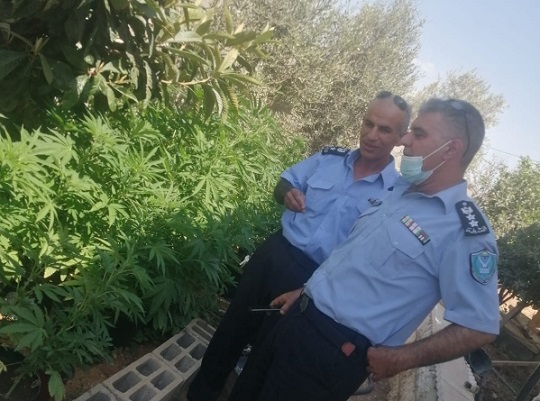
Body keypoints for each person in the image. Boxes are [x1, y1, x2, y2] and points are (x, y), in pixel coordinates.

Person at [225, 97, 500, 401]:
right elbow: (353, 259)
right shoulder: (400, 193)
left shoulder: (463, 231)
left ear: (451, 149)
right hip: (299, 316)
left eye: (419, 134)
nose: (405, 140)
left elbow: (479, 326)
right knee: (244, 392)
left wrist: (402, 358)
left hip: (332, 350)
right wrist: (307, 291)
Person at [186, 91, 412, 401]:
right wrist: (287, 194)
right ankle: (200, 394)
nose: (372, 135)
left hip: (312, 280)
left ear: (400, 138)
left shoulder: (395, 194)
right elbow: (284, 183)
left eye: (384, 129)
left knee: (268, 352)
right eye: (368, 123)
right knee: (232, 328)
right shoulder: (328, 159)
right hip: (275, 255)